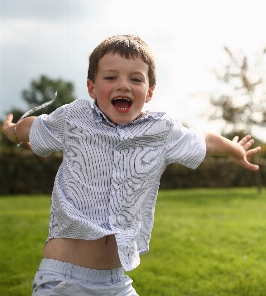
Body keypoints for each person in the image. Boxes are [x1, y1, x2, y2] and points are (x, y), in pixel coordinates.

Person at [2, 34, 261, 296]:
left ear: (149, 93)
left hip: (116, 282)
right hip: (62, 278)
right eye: (111, 77)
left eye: (135, 79)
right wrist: (12, 132)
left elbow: (204, 139)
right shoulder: (74, 118)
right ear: (92, 87)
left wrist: (235, 149)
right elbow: (33, 127)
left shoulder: (161, 131)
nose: (123, 85)